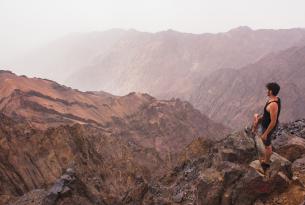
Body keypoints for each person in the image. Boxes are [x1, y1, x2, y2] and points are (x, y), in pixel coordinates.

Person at [252, 82, 281, 172]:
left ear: (271, 91)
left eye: (268, 89)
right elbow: (267, 115)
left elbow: (273, 122)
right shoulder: (274, 99)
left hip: (268, 127)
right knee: (256, 119)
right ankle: (255, 131)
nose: (266, 91)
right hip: (265, 124)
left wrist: (265, 133)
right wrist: (258, 118)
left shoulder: (273, 105)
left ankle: (266, 163)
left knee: (267, 145)